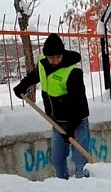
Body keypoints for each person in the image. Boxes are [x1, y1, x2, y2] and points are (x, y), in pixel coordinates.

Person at [13, 33, 92, 179]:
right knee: (57, 160)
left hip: (77, 121)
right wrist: (22, 86)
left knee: (81, 163)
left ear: (62, 54)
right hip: (56, 122)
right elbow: (35, 76)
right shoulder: (43, 63)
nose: (54, 61)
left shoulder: (73, 72)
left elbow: (79, 104)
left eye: (57, 57)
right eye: (51, 57)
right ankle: (62, 191)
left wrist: (71, 127)